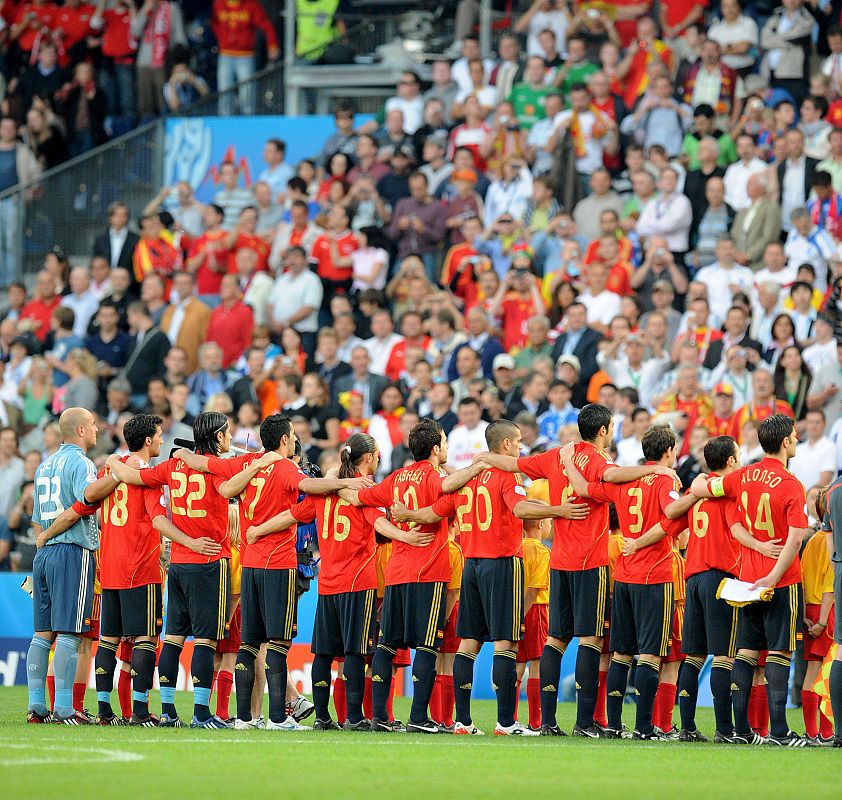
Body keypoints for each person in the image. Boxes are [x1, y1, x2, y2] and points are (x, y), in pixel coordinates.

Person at [481, 404, 677, 737]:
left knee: (555, 639)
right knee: (591, 640)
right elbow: (611, 477)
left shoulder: (556, 455)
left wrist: (483, 458)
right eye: (612, 426)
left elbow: (513, 463)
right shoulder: (600, 460)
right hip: (590, 562)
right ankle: (585, 722)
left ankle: (548, 721)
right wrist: (656, 470)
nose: (612, 432)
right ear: (602, 430)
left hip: (560, 560)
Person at [393, 420, 581, 735]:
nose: (520, 446)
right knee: (505, 643)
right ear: (505, 444)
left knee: (468, 643)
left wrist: (408, 515)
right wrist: (558, 510)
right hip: (502, 563)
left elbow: (433, 513)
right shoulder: (507, 474)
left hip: (472, 566)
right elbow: (519, 509)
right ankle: (506, 723)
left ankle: (463, 722)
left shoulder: (466, 478)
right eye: (517, 441)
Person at [252, 433, 432, 729]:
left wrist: (258, 530)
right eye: (377, 454)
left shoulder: (325, 492)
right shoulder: (364, 490)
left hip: (327, 584)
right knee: (355, 652)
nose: (378, 458)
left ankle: (323, 718)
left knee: (323, 653)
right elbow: (379, 523)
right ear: (369, 457)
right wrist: (406, 536)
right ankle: (354, 717)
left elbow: (291, 516)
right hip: (358, 582)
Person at [343, 418, 487, 733]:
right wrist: (478, 465)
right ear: (435, 448)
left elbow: (358, 499)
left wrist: (343, 483)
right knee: (427, 645)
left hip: (396, 572)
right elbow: (447, 488)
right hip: (428, 571)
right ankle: (419, 718)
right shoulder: (435, 477)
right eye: (445, 442)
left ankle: (379, 717)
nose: (447, 447)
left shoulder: (396, 477)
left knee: (387, 645)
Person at [690, 414, 811, 746]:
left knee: (745, 652)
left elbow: (704, 489)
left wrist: (757, 549)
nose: (797, 440)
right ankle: (780, 732)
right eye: (795, 436)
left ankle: (742, 731)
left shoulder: (742, 476)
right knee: (779, 653)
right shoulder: (791, 484)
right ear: (785, 442)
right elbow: (795, 540)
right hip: (781, 581)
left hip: (746, 581)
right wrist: (773, 576)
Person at [560, 424, 681, 740]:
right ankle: (644, 727)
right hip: (654, 574)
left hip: (624, 576)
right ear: (669, 452)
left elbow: (583, 488)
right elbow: (670, 516)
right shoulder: (666, 479)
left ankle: (613, 724)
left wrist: (568, 461)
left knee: (621, 654)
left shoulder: (626, 481)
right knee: (650, 655)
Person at [25, 408, 121, 724]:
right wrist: (115, 476)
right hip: (72, 552)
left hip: (44, 554)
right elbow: (87, 497)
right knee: (70, 631)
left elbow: (36, 517)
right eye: (92, 425)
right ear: (80, 430)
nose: (96, 429)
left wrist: (44, 541)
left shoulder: (44, 465)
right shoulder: (82, 463)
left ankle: (36, 705)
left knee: (42, 633)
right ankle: (65, 708)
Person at [211, 0, 280, 116]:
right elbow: (214, 24)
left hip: (245, 56)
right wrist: (223, 38)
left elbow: (266, 25)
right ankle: (224, 123)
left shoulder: (251, 4)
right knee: (224, 95)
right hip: (225, 55)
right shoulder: (219, 4)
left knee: (247, 96)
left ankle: (248, 123)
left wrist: (272, 44)